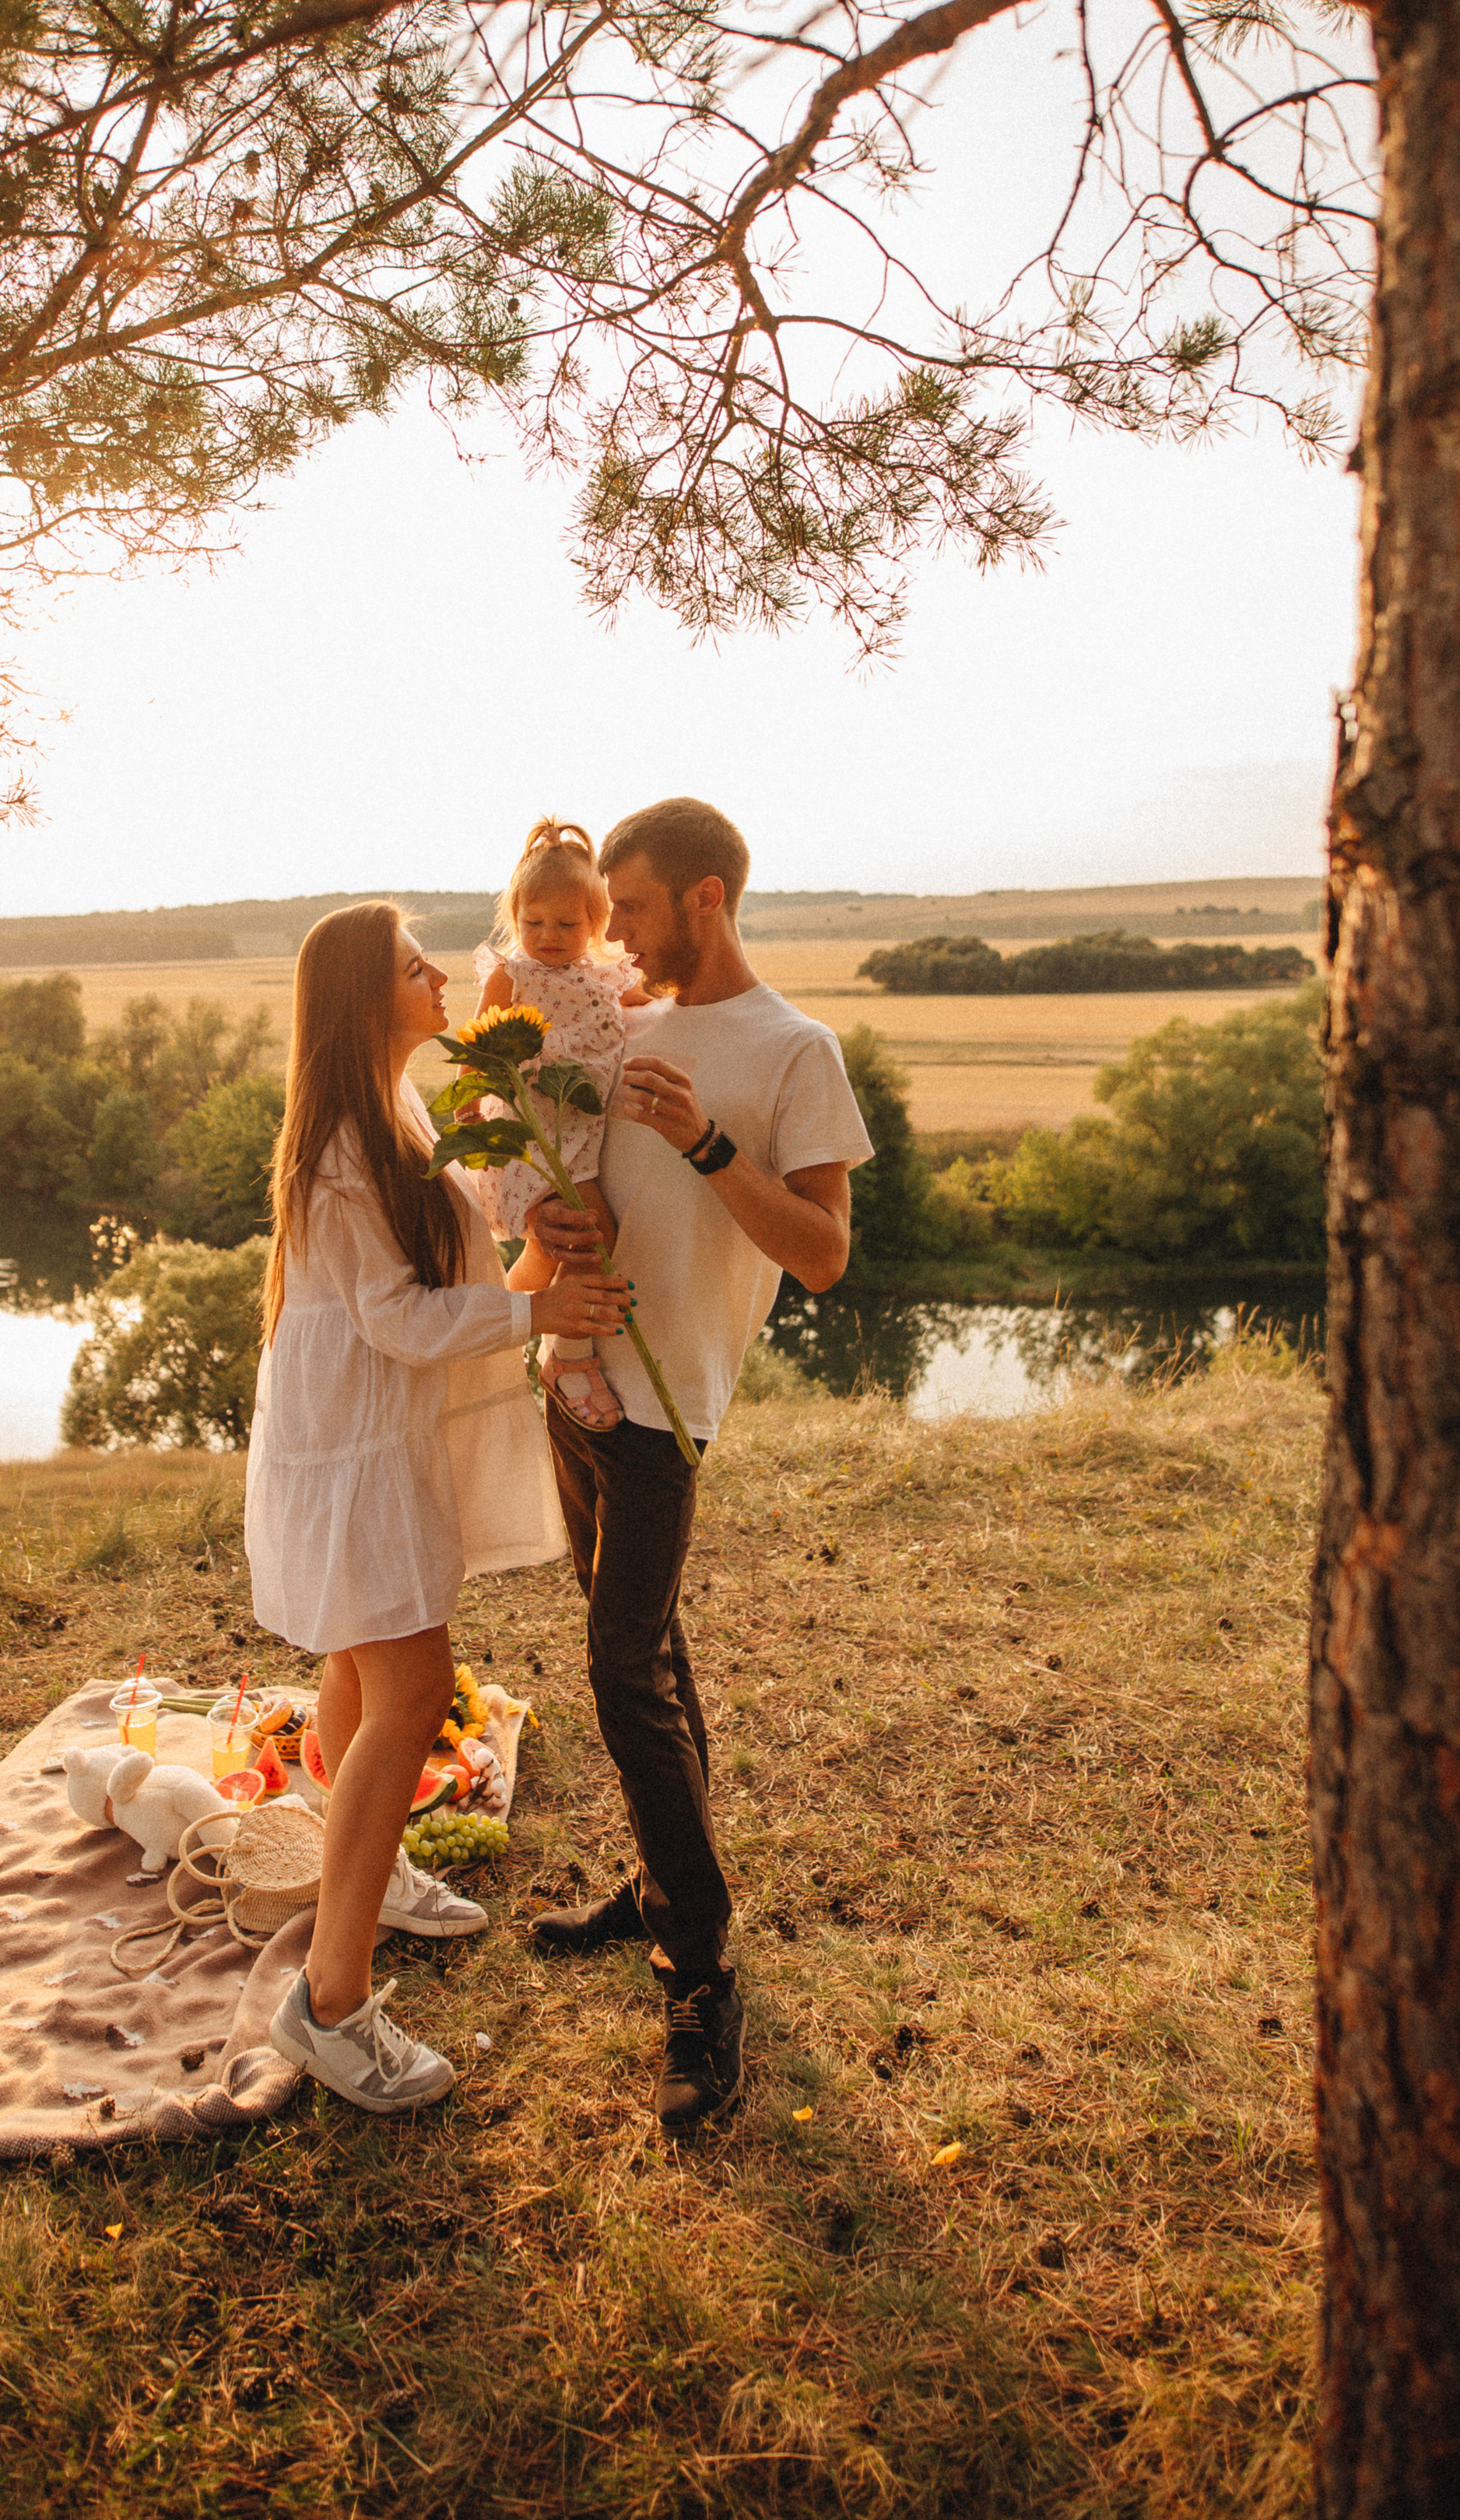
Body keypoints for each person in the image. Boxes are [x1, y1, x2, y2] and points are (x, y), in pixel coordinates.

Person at [518, 798, 873, 2132]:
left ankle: (700, 1970)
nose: (611, 933)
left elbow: (826, 1256)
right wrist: (554, 1213)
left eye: (636, 908)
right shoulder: (615, 1024)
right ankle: (665, 1884)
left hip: (672, 1415)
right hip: (577, 1389)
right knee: (646, 1654)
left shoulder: (795, 1052)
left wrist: (709, 1144)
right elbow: (574, 1189)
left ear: (708, 900)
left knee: (621, 1665)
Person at [246, 901, 633, 2116]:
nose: (440, 978)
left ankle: (369, 1862)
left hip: (373, 1435)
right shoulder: (340, 1153)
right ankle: (332, 2000)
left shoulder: (403, 1111)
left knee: (368, 1668)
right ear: (369, 998)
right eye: (417, 966)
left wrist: (544, 1249)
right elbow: (404, 1325)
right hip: (347, 1447)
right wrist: (544, 1315)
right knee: (411, 1688)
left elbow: (466, 1280)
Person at [466, 816, 650, 1436]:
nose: (547, 936)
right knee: (591, 1236)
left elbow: (657, 1008)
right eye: (533, 923)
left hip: (580, 1134)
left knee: (547, 1252)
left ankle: (490, 1335)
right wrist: (470, 1115)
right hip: (536, 1137)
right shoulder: (514, 975)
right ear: (514, 917)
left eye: (568, 925)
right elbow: (480, 1046)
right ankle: (568, 1362)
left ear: (597, 923)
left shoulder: (605, 978)